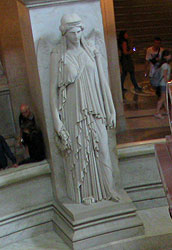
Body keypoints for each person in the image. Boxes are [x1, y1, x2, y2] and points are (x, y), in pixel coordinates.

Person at [49, 14, 121, 204]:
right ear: (65, 33)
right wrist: (57, 122)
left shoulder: (91, 51)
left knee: (103, 149)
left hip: (95, 106)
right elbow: (52, 92)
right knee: (82, 151)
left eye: (80, 30)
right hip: (73, 111)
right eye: (73, 32)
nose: (77, 35)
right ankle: (86, 192)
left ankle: (108, 189)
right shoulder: (59, 56)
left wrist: (111, 109)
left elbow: (103, 82)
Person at [153, 50, 172, 119]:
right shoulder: (165, 65)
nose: (170, 56)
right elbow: (165, 75)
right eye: (169, 55)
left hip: (162, 84)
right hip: (164, 84)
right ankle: (157, 112)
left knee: (164, 98)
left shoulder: (163, 64)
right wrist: (168, 83)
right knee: (162, 98)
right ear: (165, 56)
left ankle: (167, 110)